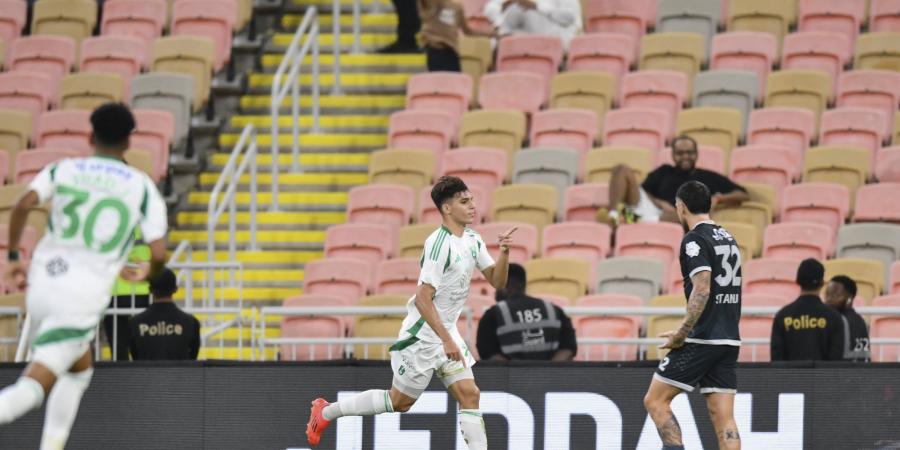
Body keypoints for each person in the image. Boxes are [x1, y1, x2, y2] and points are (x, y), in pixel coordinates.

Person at [0, 103, 168, 449]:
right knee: (33, 388)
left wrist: (14, 255)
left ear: (90, 136)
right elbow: (158, 252)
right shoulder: (142, 187)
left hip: (42, 286)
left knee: (80, 369)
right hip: (79, 299)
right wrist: (148, 275)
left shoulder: (63, 169)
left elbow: (22, 205)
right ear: (128, 144)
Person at [305, 176, 515, 449]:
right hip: (423, 337)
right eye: (465, 201)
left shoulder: (473, 240)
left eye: (472, 199)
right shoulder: (438, 245)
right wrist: (446, 340)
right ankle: (325, 411)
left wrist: (505, 254)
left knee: (470, 394)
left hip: (445, 332)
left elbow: (498, 282)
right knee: (399, 402)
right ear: (447, 209)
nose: (473, 205)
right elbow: (422, 299)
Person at [643, 181, 743, 450]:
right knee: (723, 418)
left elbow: (702, 288)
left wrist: (681, 334)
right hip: (729, 339)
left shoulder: (694, 240)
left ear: (681, 207)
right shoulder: (727, 237)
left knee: (655, 400)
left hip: (702, 339)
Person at [600, 136, 750, 226]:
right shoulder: (663, 171)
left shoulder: (708, 177)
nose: (685, 156)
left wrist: (719, 198)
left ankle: (630, 218)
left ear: (696, 154)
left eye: (689, 152)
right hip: (651, 209)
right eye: (680, 153)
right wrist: (659, 202)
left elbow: (743, 194)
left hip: (675, 217)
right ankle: (615, 215)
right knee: (621, 169)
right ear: (672, 155)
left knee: (691, 212)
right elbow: (643, 192)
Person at [476, 263, 577, 360]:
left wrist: (516, 374)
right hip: (550, 376)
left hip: (511, 377)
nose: (496, 291)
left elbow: (489, 354)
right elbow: (567, 350)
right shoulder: (554, 310)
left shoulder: (492, 315)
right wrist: (547, 373)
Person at [770, 259, 844, 361]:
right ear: (822, 283)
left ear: (797, 281)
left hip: (791, 377)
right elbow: (836, 360)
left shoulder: (782, 316)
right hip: (822, 377)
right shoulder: (834, 317)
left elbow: (776, 360)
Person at [129, 267, 201, 360]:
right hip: (180, 374)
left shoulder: (135, 323)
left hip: (146, 374)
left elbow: (136, 356)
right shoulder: (191, 322)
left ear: (150, 289)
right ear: (175, 289)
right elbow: (192, 359)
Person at [105, 229, 151, 361]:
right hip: (142, 292)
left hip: (115, 294)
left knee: (118, 349)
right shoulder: (144, 227)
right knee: (143, 346)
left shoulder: (108, 228)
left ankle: (121, 378)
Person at [418, 0, 497, 72]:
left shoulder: (457, 7)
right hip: (435, 48)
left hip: (451, 50)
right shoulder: (433, 4)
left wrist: (489, 34)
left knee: (455, 82)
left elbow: (468, 31)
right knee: (438, 82)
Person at [483, 0, 582, 48]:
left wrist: (537, 7)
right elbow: (490, 8)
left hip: (554, 40)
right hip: (520, 39)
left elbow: (569, 18)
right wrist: (503, 7)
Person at [824, 275, 870, 362]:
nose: (828, 300)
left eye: (835, 295)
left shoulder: (837, 321)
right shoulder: (860, 321)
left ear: (850, 299)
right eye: (827, 294)